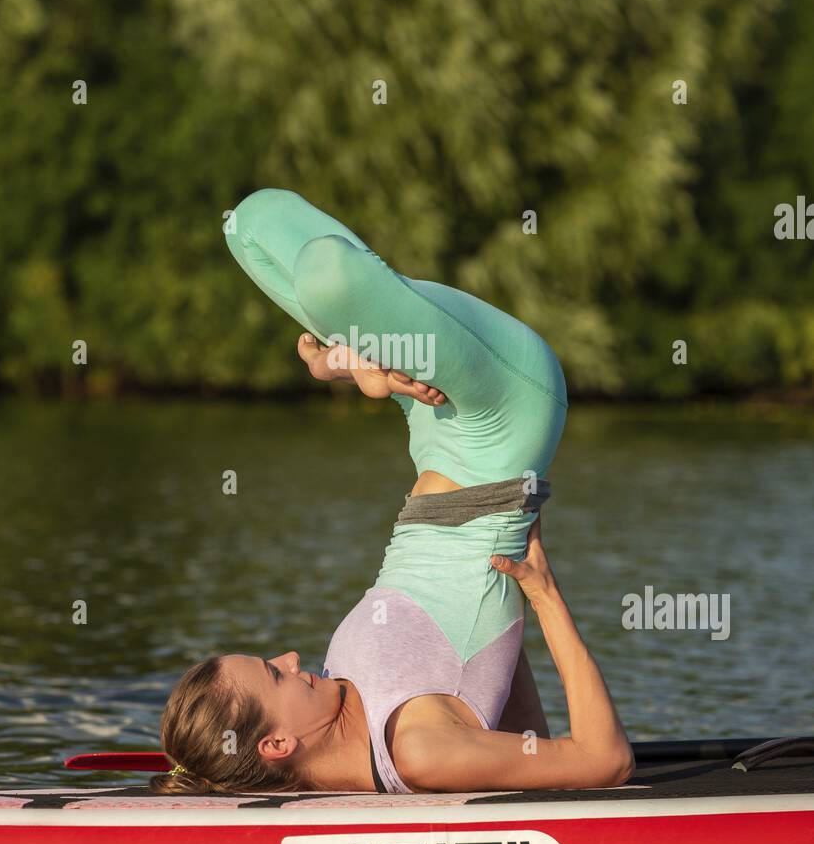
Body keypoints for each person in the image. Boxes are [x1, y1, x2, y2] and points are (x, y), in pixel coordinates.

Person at [151, 189, 633, 796]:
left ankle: (351, 360)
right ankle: (353, 355)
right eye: (277, 676)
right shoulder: (420, 753)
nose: (292, 658)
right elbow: (602, 760)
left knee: (249, 224)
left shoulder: (348, 706)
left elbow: (508, 712)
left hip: (432, 430)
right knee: (328, 275)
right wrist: (542, 596)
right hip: (502, 421)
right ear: (277, 745)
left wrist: (500, 625)